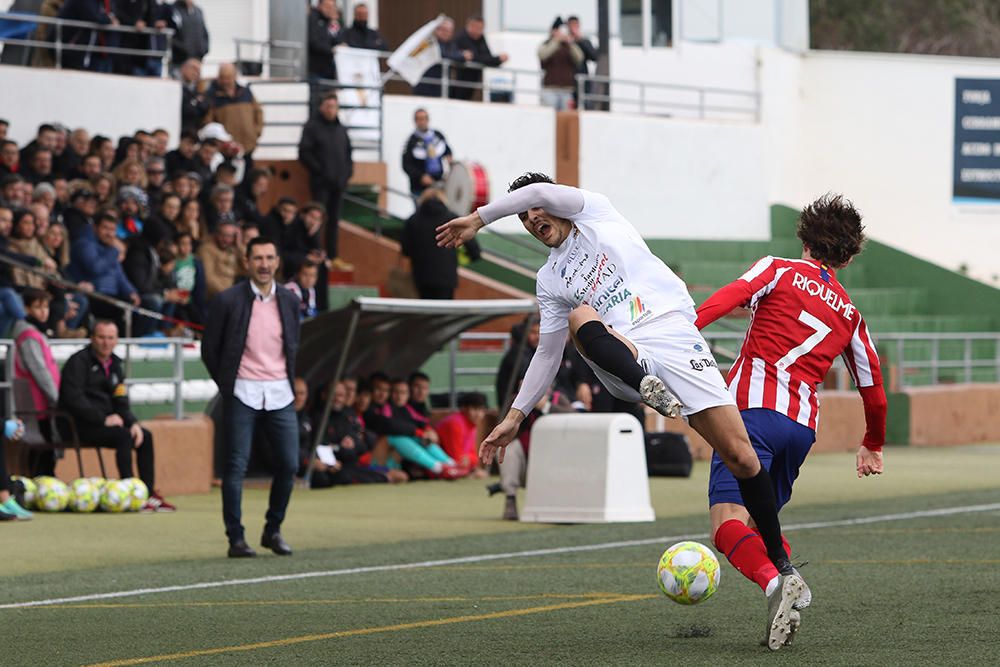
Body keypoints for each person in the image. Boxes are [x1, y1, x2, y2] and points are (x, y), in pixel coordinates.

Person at [436, 171, 809, 649]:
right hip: (624, 351)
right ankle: (646, 387)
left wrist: (478, 219)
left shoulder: (596, 211)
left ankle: (781, 572)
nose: (532, 219)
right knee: (579, 318)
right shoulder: (549, 278)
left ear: (559, 204)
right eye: (525, 218)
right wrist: (515, 415)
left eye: (536, 211)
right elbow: (548, 354)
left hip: (675, 333)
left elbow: (536, 192)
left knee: (742, 457)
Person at [695, 194, 888, 645]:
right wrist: (873, 443)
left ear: (805, 236)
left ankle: (775, 583)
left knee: (727, 524)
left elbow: (730, 297)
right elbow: (874, 392)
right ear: (849, 254)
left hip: (751, 415)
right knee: (763, 521)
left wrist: (685, 328)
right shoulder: (851, 314)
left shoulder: (777, 268)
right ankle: (789, 573)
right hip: (800, 428)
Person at [201, 236, 301, 558]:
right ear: (247, 262)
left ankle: (273, 529)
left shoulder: (289, 300)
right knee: (236, 465)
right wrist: (228, 383)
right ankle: (236, 538)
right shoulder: (228, 300)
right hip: (242, 389)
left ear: (277, 262)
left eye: (269, 258)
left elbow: (294, 343)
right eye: (257, 258)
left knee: (289, 463)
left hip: (279, 392)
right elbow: (209, 349)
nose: (264, 264)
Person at [58, 321, 174, 511]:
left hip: (108, 425)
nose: (106, 343)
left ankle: (148, 493)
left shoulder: (116, 365)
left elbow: (121, 401)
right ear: (92, 338)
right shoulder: (77, 362)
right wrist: (102, 419)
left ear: (116, 340)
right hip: (79, 426)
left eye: (110, 338)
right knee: (124, 436)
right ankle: (130, 493)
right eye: (101, 337)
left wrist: (133, 423)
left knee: (144, 435)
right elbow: (73, 399)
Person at [298, 93, 353, 265]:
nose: (331, 110)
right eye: (328, 106)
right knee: (316, 219)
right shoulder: (312, 127)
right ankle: (316, 253)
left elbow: (348, 154)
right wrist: (320, 172)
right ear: (321, 107)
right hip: (321, 183)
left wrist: (347, 174)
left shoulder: (341, 129)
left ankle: (333, 256)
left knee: (334, 221)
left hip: (338, 184)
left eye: (334, 107)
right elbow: (304, 153)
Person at [13, 288, 61, 476]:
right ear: (26, 308)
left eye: (46, 307)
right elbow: (39, 370)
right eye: (37, 307)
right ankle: (41, 479)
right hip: (36, 400)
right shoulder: (28, 335)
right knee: (42, 443)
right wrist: (56, 397)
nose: (43, 312)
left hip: (42, 400)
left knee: (46, 443)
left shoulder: (37, 332)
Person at [401, 188, 478, 300]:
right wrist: (457, 260)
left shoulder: (412, 220)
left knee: (426, 312)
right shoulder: (452, 219)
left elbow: (406, 250)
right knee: (445, 312)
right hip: (446, 277)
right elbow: (474, 251)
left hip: (422, 277)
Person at [203, 63, 265, 160]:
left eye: (228, 77)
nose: (225, 81)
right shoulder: (212, 96)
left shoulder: (245, 91)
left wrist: (256, 132)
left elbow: (258, 112)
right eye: (223, 77)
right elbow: (208, 121)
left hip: (248, 145)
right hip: (227, 149)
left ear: (235, 76)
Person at [451, 15, 508, 101]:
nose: (479, 31)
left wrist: (498, 60)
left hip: (472, 80)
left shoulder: (481, 38)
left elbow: (486, 57)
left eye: (481, 28)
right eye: (477, 27)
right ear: (469, 26)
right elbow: (477, 57)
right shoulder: (460, 38)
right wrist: (495, 59)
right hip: (459, 80)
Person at [435, 391, 488, 478]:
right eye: (474, 409)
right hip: (441, 468)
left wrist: (469, 459)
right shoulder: (455, 423)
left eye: (481, 410)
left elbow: (474, 456)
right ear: (464, 408)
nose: (478, 414)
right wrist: (471, 467)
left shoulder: (471, 425)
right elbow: (456, 458)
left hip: (457, 468)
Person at [402, 109, 452, 199]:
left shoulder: (438, 135)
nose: (422, 122)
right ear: (415, 121)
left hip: (439, 184)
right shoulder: (411, 141)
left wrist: (449, 158)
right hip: (419, 188)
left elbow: (447, 150)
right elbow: (406, 165)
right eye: (419, 119)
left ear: (428, 120)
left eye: (424, 119)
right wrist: (421, 176)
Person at [538, 18, 584, 111]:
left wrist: (570, 43)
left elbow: (579, 58)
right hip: (550, 89)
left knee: (566, 119)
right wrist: (555, 41)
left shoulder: (569, 45)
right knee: (548, 117)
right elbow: (542, 55)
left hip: (567, 90)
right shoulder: (547, 43)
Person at [413, 17, 464, 98]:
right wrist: (462, 55)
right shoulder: (428, 42)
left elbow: (456, 56)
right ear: (436, 30)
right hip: (425, 85)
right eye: (443, 29)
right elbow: (442, 55)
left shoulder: (451, 45)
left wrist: (461, 56)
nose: (446, 33)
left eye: (449, 31)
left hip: (442, 87)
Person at [567, 16, 598, 109]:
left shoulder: (584, 41)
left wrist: (580, 40)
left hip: (582, 80)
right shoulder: (564, 42)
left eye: (575, 25)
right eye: (571, 25)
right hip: (568, 81)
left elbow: (594, 56)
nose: (573, 28)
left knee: (584, 105)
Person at [169, 0, 209, 66]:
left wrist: (203, 50)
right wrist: (184, 49)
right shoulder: (172, 10)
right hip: (180, 61)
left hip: (197, 59)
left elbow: (204, 32)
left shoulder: (198, 11)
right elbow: (170, 35)